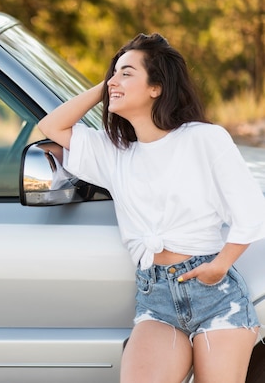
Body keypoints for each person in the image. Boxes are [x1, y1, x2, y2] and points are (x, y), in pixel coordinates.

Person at [38, 33, 265, 383]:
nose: (115, 80)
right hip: (155, 297)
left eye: (127, 72)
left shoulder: (203, 139)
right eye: (113, 73)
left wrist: (219, 267)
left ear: (156, 87)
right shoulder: (114, 152)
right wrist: (109, 85)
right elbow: (51, 126)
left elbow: (252, 211)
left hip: (215, 294)